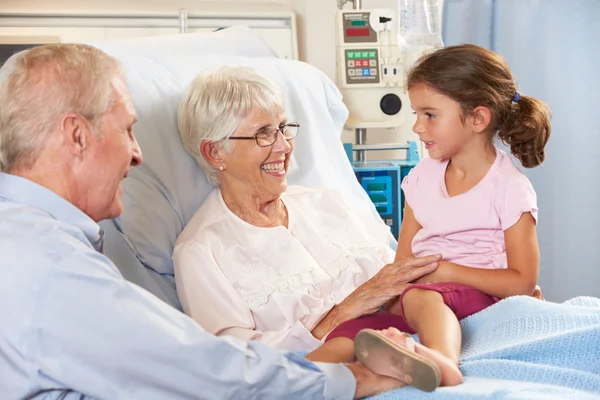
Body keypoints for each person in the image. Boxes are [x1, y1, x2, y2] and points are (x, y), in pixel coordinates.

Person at [0, 43, 412, 400]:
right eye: (127, 130)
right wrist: (349, 379)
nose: (138, 154)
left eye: (283, 128)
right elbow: (202, 370)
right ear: (76, 135)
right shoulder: (49, 265)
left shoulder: (34, 243)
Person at [306, 43, 552, 390]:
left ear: (478, 119)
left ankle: (442, 362)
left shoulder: (510, 188)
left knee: (422, 297)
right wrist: (382, 305)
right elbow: (403, 264)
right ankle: (287, 378)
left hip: (477, 299)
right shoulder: (422, 178)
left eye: (430, 115)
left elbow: (523, 282)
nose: (418, 128)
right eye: (416, 114)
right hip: (420, 294)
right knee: (352, 334)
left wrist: (445, 272)